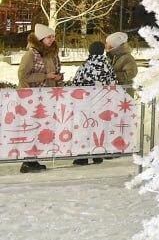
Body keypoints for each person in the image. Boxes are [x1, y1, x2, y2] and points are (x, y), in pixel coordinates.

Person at [18, 24, 62, 173]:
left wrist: (57, 78)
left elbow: (55, 70)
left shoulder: (52, 54)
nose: (52, 39)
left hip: (47, 96)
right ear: (41, 38)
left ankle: (33, 158)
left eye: (53, 36)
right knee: (31, 128)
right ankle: (28, 161)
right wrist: (45, 76)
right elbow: (23, 75)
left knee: (42, 128)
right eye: (49, 37)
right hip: (32, 97)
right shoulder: (31, 54)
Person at [70, 41, 117, 165]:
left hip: (85, 103)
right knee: (99, 127)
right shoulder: (107, 65)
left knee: (85, 127)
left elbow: (76, 82)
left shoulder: (85, 65)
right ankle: (98, 154)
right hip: (102, 102)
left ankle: (83, 156)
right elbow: (112, 82)